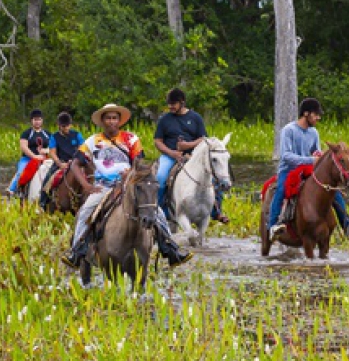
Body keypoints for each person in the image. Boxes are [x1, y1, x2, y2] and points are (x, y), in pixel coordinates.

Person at [62, 103, 193, 269]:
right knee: (85, 213)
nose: (111, 121)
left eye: (114, 118)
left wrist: (130, 174)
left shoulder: (131, 139)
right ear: (102, 121)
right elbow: (75, 164)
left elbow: (138, 163)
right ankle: (77, 251)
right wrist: (86, 185)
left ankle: (170, 248)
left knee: (156, 211)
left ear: (119, 121)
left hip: (129, 185)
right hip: (103, 186)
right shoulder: (92, 141)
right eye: (108, 118)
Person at [266, 98, 349, 241]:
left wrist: (318, 155)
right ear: (306, 113)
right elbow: (286, 156)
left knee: (332, 190)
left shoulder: (314, 132)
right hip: (289, 170)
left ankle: (347, 225)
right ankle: (273, 226)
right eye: (316, 114)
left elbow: (315, 151)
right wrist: (311, 160)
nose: (318, 117)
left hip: (308, 170)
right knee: (281, 189)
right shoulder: (289, 130)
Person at [154, 88, 227, 224]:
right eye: (169, 104)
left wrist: (187, 146)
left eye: (174, 104)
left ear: (182, 102)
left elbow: (203, 138)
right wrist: (172, 153)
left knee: (214, 177)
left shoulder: (195, 118)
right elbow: (158, 141)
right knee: (160, 177)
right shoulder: (165, 119)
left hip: (194, 156)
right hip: (170, 156)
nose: (171, 107)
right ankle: (160, 211)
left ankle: (216, 211)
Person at [9, 109, 52, 196]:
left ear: (42, 120)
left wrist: (46, 151)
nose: (37, 122)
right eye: (35, 120)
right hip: (28, 159)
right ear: (31, 121)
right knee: (21, 172)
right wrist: (34, 156)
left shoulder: (47, 134)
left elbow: (53, 147)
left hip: (45, 158)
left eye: (39, 119)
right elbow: (24, 147)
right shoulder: (26, 133)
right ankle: (13, 189)